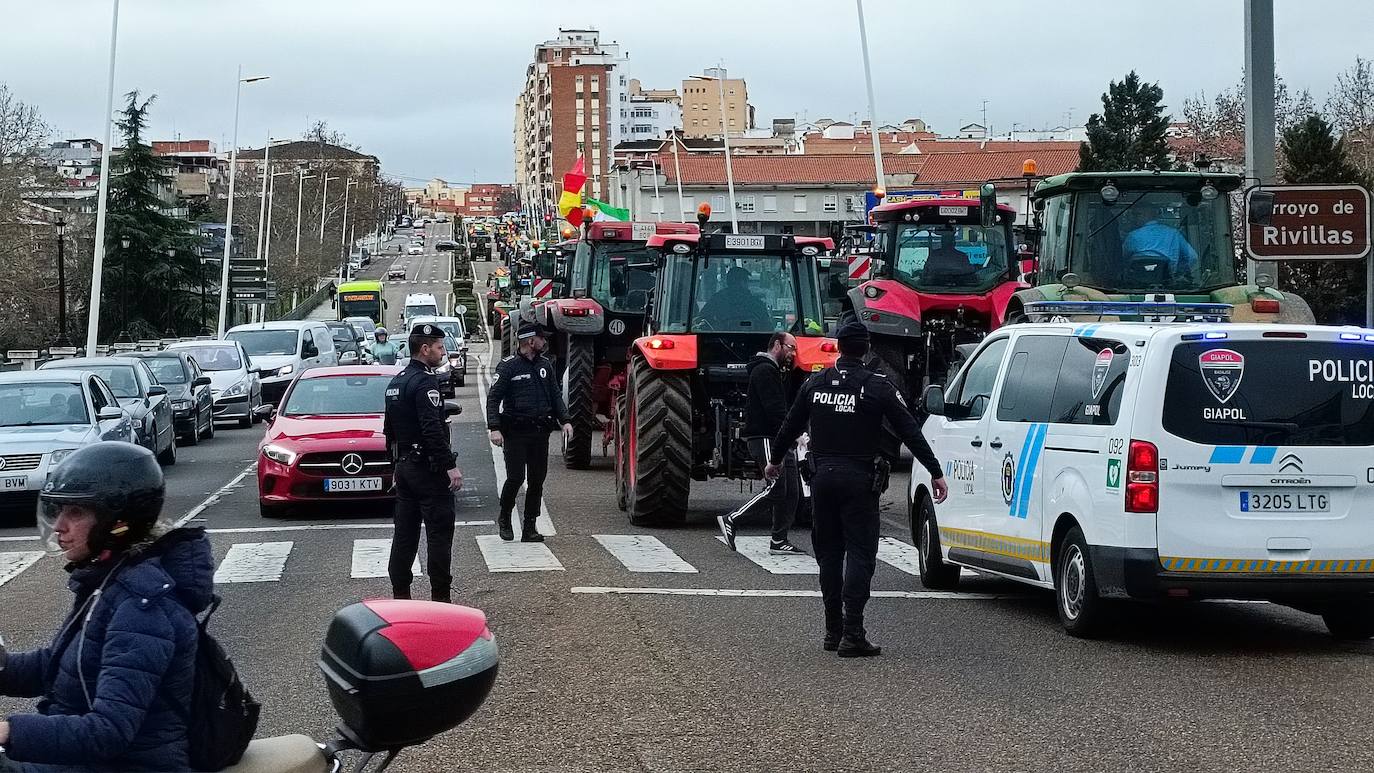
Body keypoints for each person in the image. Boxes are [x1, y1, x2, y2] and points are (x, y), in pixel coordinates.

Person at [0, 442, 214, 773]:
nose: (59, 526)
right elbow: (60, 670)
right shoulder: (108, 581)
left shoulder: (144, 607)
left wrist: (8, 731)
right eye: (58, 510)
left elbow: (109, 731)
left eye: (76, 512)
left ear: (118, 522)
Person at [767, 321, 948, 658]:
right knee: (861, 554)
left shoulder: (815, 383)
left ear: (837, 347)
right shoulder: (877, 386)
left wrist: (774, 460)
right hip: (860, 481)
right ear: (866, 349)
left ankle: (832, 631)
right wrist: (935, 472)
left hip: (822, 481)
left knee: (830, 556)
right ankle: (853, 633)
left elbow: (790, 425)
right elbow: (910, 431)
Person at [383, 323, 463, 603]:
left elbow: (389, 432)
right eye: (440, 347)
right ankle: (441, 601)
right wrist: (449, 466)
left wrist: (395, 467)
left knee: (404, 536)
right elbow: (433, 429)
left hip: (405, 468)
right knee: (439, 535)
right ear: (425, 349)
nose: (443, 352)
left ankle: (400, 597)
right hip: (428, 470)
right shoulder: (425, 382)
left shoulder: (396, 382)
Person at [718, 331, 805, 556]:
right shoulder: (765, 370)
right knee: (776, 489)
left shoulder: (775, 371)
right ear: (777, 345)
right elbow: (775, 409)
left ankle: (779, 540)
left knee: (792, 491)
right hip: (766, 437)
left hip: (778, 438)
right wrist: (793, 433)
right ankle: (732, 519)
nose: (792, 353)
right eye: (790, 347)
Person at [487, 323, 572, 543]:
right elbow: (494, 399)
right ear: (530, 341)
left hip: (539, 432)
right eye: (542, 338)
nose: (545, 342)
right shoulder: (508, 366)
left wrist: (565, 421)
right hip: (515, 432)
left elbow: (554, 395)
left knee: (537, 481)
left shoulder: (545, 365)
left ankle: (529, 527)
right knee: (515, 478)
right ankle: (505, 516)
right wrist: (494, 428)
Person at [1122, 203, 1198, 276]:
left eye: (1137, 215)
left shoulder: (1133, 235)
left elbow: (1122, 257)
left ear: (1148, 215)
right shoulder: (1174, 233)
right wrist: (1177, 272)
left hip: (1136, 284)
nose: (1134, 219)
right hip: (1167, 283)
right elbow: (1192, 257)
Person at [696, 266, 771, 330]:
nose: (747, 284)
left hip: (720, 341)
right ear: (742, 282)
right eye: (746, 281)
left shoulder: (717, 299)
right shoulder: (755, 303)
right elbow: (767, 327)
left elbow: (703, 319)